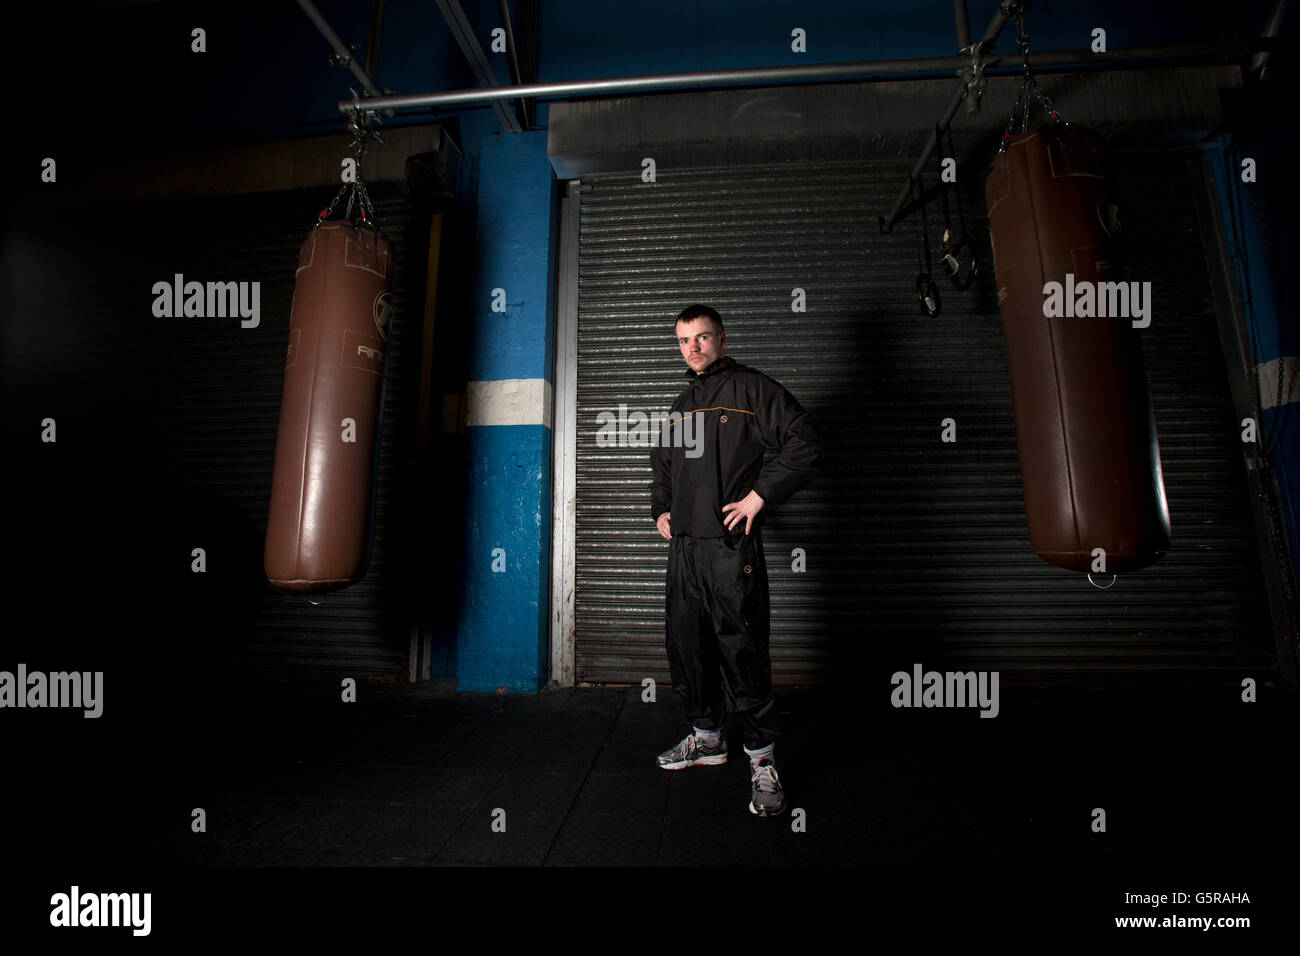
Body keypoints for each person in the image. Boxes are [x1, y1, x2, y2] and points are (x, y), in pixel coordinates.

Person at [649, 303, 822, 816]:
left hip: (729, 550)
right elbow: (661, 465)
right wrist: (661, 508)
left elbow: (805, 442)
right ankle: (707, 737)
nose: (693, 348)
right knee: (688, 647)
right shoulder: (681, 406)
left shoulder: (751, 391)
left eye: (702, 338)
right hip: (684, 553)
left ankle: (763, 760)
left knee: (740, 649)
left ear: (722, 338)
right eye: (684, 341)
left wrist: (759, 497)